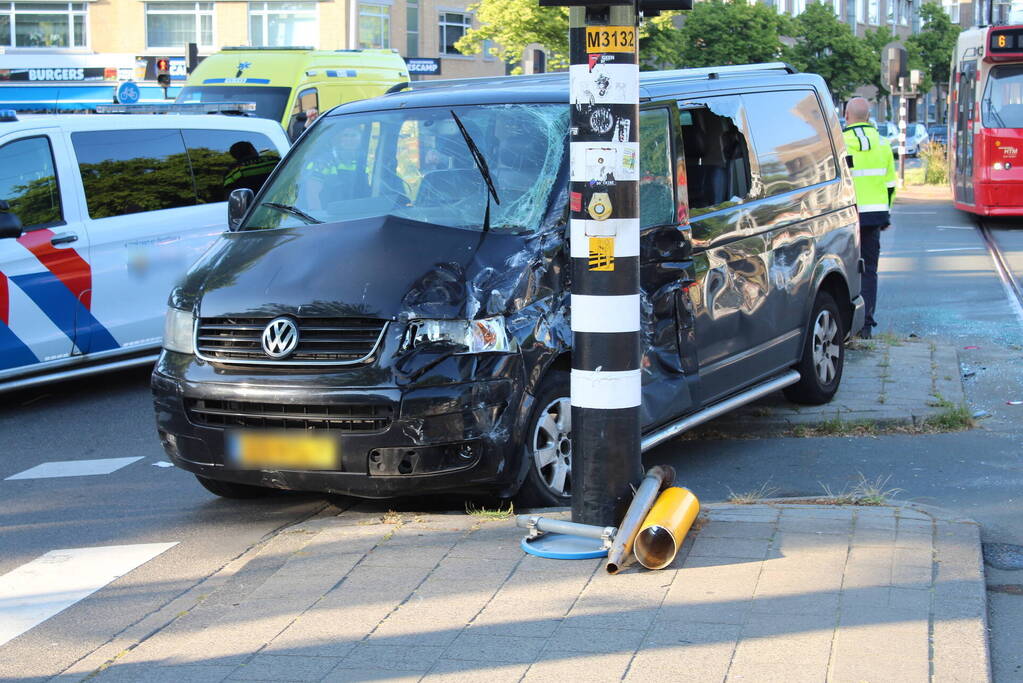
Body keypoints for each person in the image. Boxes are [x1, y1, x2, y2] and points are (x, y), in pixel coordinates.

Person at [843, 97, 896, 340]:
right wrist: (885, 213)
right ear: (868, 117)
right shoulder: (883, 143)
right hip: (874, 216)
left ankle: (845, 324)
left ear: (847, 116)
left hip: (846, 217)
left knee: (843, 270)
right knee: (869, 270)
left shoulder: (840, 143)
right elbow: (890, 185)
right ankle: (865, 325)